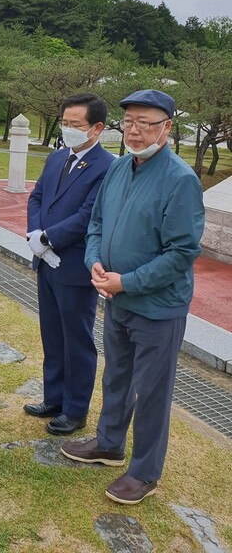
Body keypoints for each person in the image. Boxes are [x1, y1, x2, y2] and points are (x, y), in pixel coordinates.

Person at [61, 89, 205, 505]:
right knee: (116, 377)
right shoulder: (120, 168)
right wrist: (93, 261)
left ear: (167, 128)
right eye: (129, 122)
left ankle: (144, 472)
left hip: (157, 308)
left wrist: (128, 282)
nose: (136, 131)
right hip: (116, 298)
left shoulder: (180, 180)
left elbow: (182, 253)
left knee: (152, 391)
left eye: (147, 123)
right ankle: (108, 443)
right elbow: (97, 223)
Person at [24, 93, 114, 435]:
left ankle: (75, 409)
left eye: (75, 125)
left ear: (96, 128)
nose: (67, 130)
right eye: (64, 123)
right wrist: (36, 237)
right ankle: (54, 398)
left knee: (77, 340)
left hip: (75, 266)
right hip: (46, 263)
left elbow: (88, 215)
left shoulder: (107, 166)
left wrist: (48, 239)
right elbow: (37, 197)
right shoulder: (57, 158)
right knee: (52, 334)